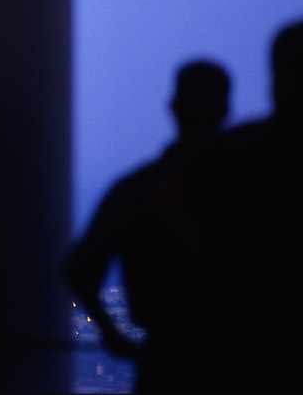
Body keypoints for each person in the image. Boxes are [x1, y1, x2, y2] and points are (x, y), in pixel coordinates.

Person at [64, 60, 230, 392]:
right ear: (224, 109)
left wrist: (114, 337)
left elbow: (79, 269)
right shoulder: (250, 185)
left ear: (174, 106)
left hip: (164, 359)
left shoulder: (136, 188)